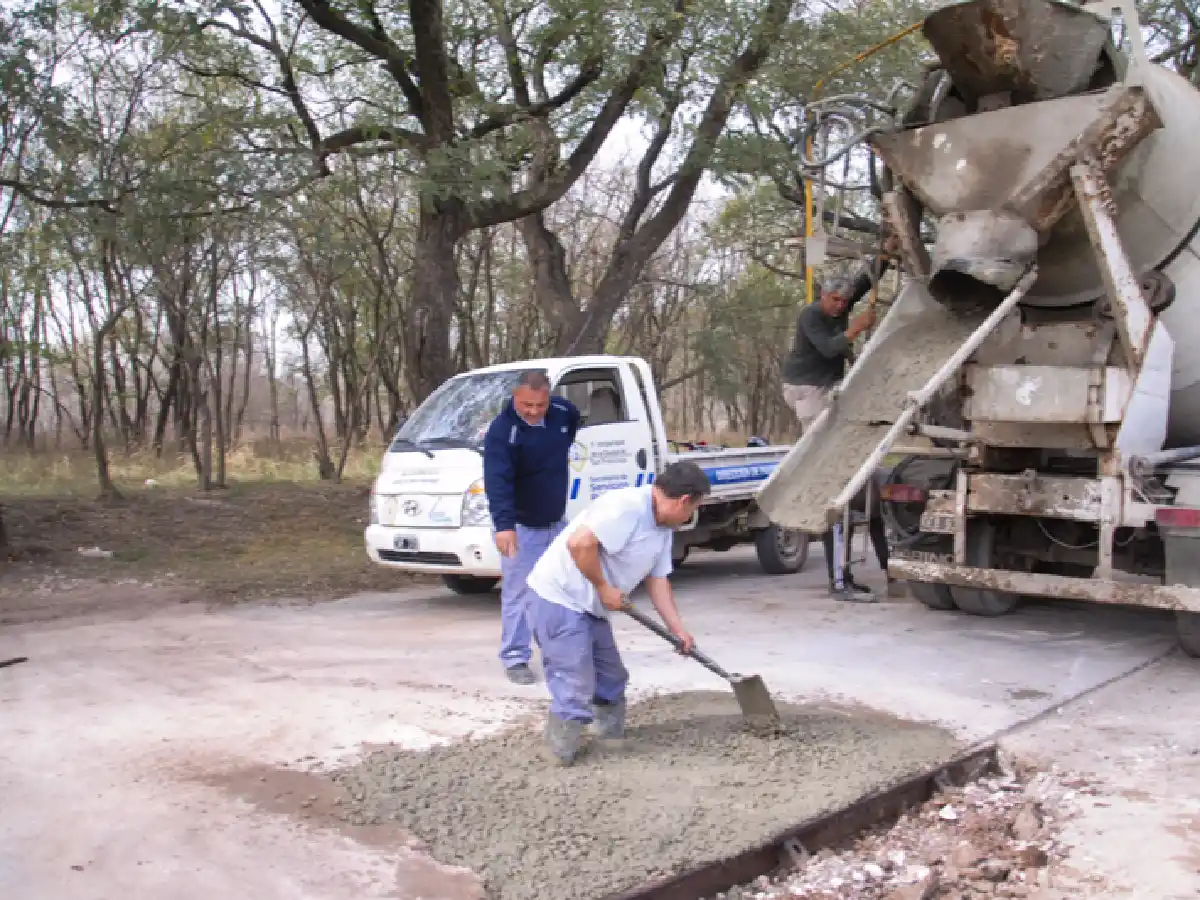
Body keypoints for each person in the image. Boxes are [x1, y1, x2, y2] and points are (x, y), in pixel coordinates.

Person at [524, 461, 712, 766]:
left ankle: (610, 739)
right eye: (693, 510)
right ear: (684, 501)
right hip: (559, 598)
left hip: (591, 605)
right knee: (575, 679)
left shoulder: (664, 528)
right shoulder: (625, 507)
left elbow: (658, 580)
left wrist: (678, 630)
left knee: (611, 676)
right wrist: (603, 586)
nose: (690, 516)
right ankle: (558, 752)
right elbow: (579, 543)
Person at [780, 266, 889, 602]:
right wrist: (856, 329)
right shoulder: (810, 315)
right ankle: (839, 578)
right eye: (834, 299)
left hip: (829, 388)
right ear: (822, 296)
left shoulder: (843, 302)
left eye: (844, 301)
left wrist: (886, 252)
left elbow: (865, 279)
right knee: (832, 476)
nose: (840, 306)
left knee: (864, 484)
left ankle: (888, 567)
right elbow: (829, 349)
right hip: (807, 390)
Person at [483, 370, 581, 685]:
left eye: (540, 405)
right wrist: (504, 525)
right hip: (521, 527)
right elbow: (497, 482)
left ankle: (560, 653)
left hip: (556, 522)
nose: (534, 411)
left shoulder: (564, 413)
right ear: (515, 396)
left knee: (562, 590)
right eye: (527, 405)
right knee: (519, 593)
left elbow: (570, 430)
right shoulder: (503, 431)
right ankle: (515, 657)